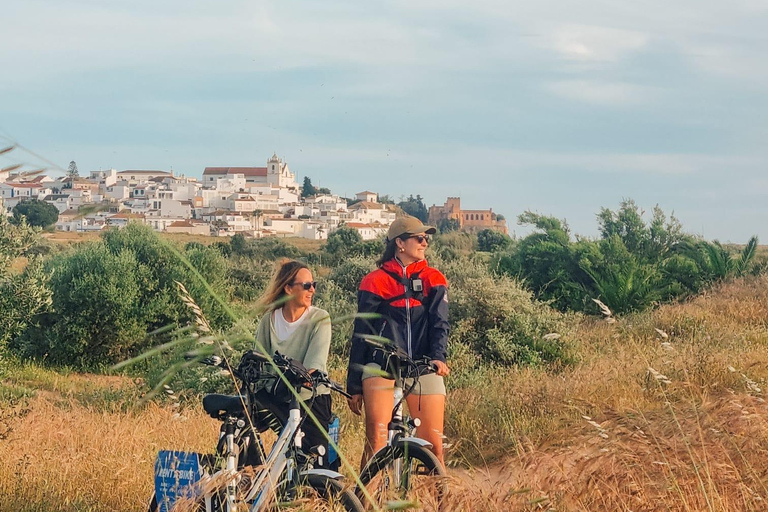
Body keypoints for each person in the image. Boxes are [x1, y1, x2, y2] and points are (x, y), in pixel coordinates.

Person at [346, 216, 450, 467]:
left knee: (434, 445)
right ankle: (365, 504)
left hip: (423, 363)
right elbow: (362, 333)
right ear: (400, 243)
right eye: (419, 238)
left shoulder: (434, 278)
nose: (425, 242)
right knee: (376, 441)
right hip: (381, 364)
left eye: (426, 238)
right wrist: (354, 385)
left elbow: (440, 324)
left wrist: (439, 357)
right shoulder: (374, 281)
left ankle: (441, 503)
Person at [254, 259, 333, 467]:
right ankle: (250, 474)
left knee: (314, 459)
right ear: (288, 288)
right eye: (306, 286)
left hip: (310, 397)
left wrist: (308, 376)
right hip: (276, 396)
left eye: (313, 285)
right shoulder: (268, 320)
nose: (312, 290)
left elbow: (315, 363)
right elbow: (258, 359)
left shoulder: (320, 319)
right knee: (242, 422)